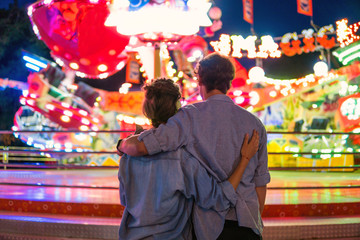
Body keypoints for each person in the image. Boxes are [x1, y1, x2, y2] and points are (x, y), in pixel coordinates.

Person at [118, 53, 271, 239]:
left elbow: (147, 145)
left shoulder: (188, 117)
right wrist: (254, 221)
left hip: (207, 225)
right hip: (246, 222)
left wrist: (122, 145)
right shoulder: (255, 124)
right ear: (229, 82)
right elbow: (260, 183)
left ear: (200, 81)